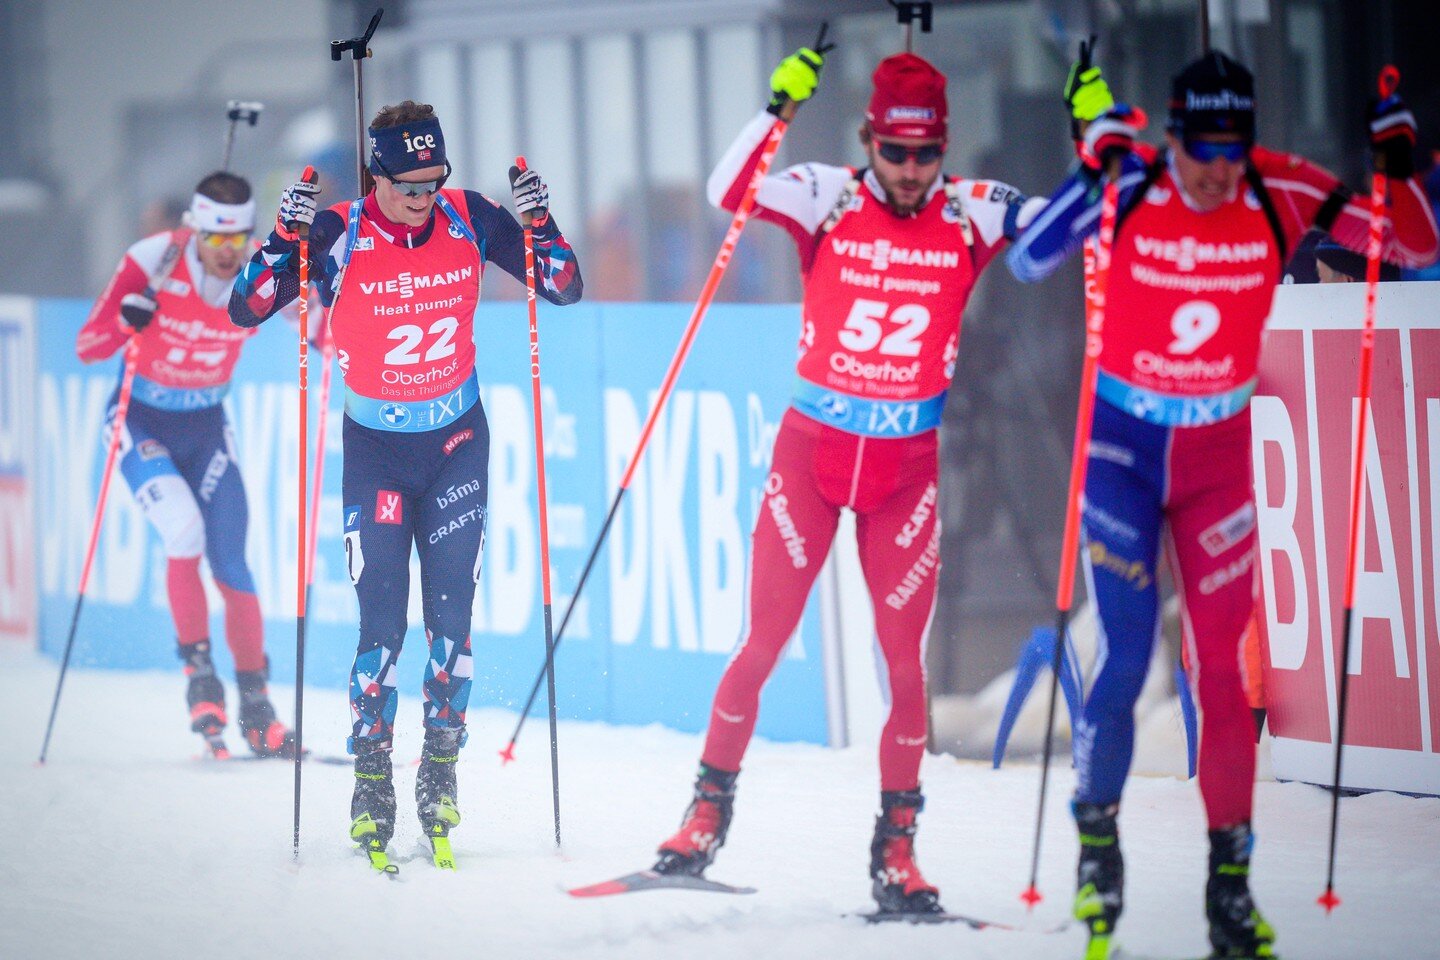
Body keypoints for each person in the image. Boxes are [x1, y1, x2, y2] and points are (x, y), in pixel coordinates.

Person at [1008, 50, 1438, 959]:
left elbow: (1416, 245)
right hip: (1126, 458)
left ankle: (1230, 891)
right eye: (1201, 147)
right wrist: (1090, 168)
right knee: (1127, 655)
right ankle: (1099, 858)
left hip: (1215, 463)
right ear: (1173, 133)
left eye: (1232, 146)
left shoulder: (1280, 190)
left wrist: (1400, 167)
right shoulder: (1130, 182)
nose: (1216, 168)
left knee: (1219, 670)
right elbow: (1029, 256)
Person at [649, 49, 1044, 915]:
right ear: (870, 141)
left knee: (905, 667)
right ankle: (704, 815)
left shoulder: (973, 213)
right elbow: (729, 190)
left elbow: (1062, 238)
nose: (909, 172)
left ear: (944, 147)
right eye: (894, 153)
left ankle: (896, 851)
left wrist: (1100, 147)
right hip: (811, 461)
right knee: (762, 641)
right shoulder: (828, 192)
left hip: (905, 474)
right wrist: (777, 108)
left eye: (925, 154)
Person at [229, 100, 582, 865]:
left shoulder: (470, 217)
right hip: (377, 452)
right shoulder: (339, 233)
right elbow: (244, 307)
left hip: (457, 442)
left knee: (451, 634)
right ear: (378, 176)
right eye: (409, 184)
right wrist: (284, 237)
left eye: (435, 180)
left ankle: (441, 775)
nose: (424, 197)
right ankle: (371, 784)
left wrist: (541, 223)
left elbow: (562, 286)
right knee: (381, 633)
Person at [76, 172, 297, 760]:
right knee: (185, 531)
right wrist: (128, 319)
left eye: (239, 241)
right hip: (140, 421)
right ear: (196, 230)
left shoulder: (259, 268)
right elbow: (88, 345)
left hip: (205, 426)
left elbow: (319, 324)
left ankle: (257, 708)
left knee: (231, 561)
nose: (229, 255)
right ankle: (201, 681)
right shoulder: (152, 259)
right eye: (217, 242)